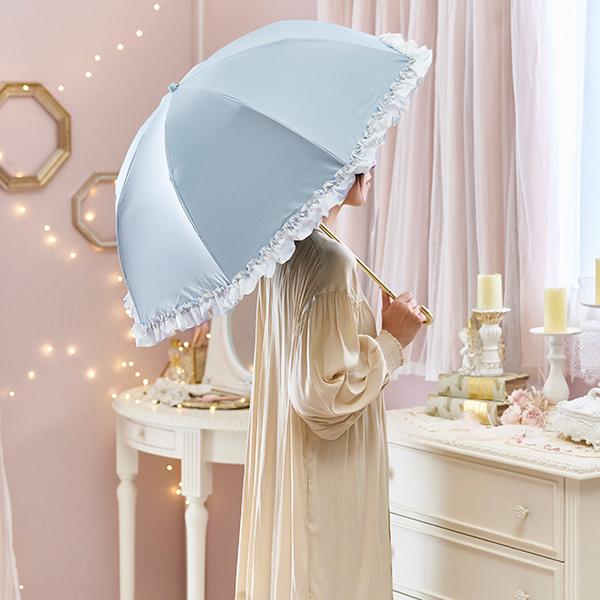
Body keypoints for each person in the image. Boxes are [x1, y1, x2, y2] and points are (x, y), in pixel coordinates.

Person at [235, 167, 425, 599]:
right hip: (326, 474)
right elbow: (322, 399)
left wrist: (375, 328)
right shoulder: (330, 262)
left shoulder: (286, 248)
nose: (371, 170)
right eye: (363, 158)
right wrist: (393, 341)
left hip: (299, 467)